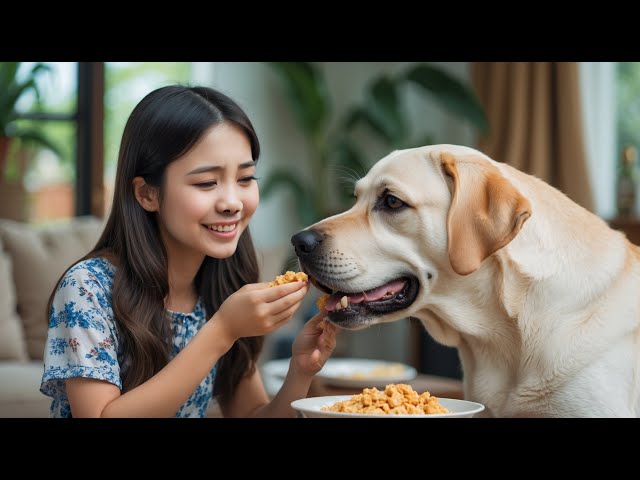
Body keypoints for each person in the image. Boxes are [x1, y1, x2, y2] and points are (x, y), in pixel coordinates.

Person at [40, 85, 338, 418]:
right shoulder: (87, 288)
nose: (232, 203)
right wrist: (223, 330)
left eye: (245, 178)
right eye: (206, 183)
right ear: (147, 194)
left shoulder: (220, 287)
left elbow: (251, 413)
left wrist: (300, 371)